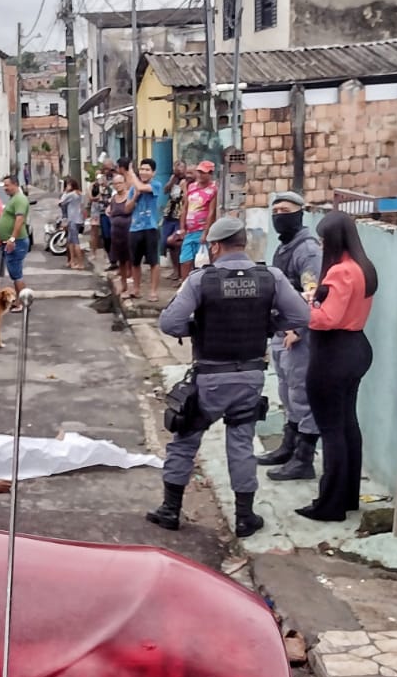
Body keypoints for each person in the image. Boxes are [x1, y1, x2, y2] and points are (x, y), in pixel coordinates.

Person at [148, 217, 308, 539]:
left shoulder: (200, 280)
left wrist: (196, 328)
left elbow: (170, 323)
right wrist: (268, 326)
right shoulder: (270, 277)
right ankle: (245, 518)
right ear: (243, 243)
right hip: (250, 378)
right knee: (241, 445)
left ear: (216, 246)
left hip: (209, 379)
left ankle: (170, 510)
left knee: (185, 440)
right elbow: (301, 316)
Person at [298, 211, 378, 523]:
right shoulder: (363, 268)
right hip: (356, 347)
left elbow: (325, 318)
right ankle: (346, 497)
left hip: (333, 353)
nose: (320, 246)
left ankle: (330, 505)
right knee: (346, 425)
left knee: (331, 430)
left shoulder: (340, 272)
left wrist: (306, 303)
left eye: (322, 240)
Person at [257, 191, 323, 480]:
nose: (278, 216)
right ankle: (288, 446)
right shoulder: (286, 247)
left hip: (299, 334)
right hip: (281, 329)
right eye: (275, 211)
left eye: (285, 210)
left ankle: (304, 459)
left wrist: (299, 328)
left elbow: (314, 294)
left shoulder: (307, 250)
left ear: (300, 213)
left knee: (301, 394)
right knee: (285, 390)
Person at [126, 158, 163, 302]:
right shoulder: (133, 189)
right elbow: (127, 208)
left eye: (147, 170)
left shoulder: (156, 185)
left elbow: (142, 188)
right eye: (141, 169)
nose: (144, 172)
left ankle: (153, 292)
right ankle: (136, 289)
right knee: (135, 261)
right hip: (135, 228)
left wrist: (131, 174)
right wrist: (134, 197)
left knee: (153, 261)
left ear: (153, 173)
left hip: (150, 227)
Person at [0, 174, 31, 296]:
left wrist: (12, 239)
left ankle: (22, 301)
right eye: (4, 186)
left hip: (17, 241)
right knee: (15, 273)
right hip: (12, 241)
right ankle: (20, 300)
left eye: (7, 185)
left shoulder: (19, 199)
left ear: (15, 184)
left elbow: (19, 220)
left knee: (17, 273)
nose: (5, 188)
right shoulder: (13, 199)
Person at [107, 160, 135, 297]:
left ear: (124, 183)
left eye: (120, 183)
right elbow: (111, 212)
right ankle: (123, 285)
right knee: (121, 261)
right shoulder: (113, 199)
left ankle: (133, 285)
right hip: (116, 234)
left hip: (129, 232)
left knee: (132, 259)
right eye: (115, 184)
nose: (118, 186)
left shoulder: (130, 195)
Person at [161, 162, 189, 281]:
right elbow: (165, 190)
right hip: (169, 214)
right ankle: (175, 271)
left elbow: (186, 199)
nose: (177, 169)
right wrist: (172, 180)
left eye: (180, 166)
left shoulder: (188, 182)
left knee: (177, 243)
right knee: (167, 243)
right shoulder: (174, 179)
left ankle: (181, 274)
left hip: (180, 216)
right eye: (175, 166)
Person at [58, 176, 86, 270]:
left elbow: (61, 202)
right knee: (70, 240)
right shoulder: (80, 194)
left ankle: (80, 263)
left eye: (68, 185)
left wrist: (65, 192)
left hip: (73, 219)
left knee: (75, 242)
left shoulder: (71, 195)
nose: (67, 186)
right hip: (79, 219)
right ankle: (72, 260)